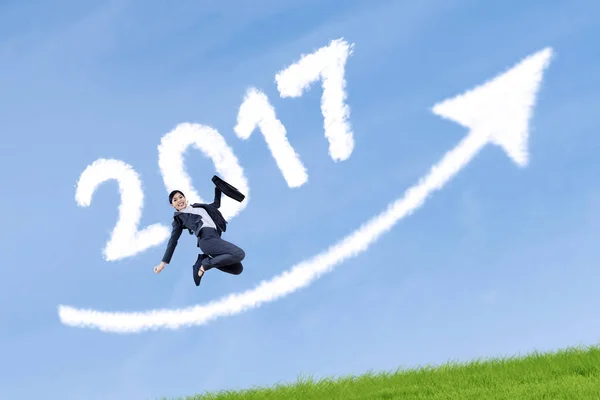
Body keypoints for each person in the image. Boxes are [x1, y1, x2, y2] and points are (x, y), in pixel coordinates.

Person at [153, 181, 246, 286]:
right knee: (239, 254)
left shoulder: (198, 207)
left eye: (180, 197)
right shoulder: (179, 218)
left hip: (216, 239)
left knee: (237, 268)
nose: (179, 200)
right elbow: (173, 241)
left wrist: (218, 188)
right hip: (206, 240)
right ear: (172, 205)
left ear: (185, 198)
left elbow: (216, 204)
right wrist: (163, 263)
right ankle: (205, 264)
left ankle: (205, 260)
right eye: (175, 200)